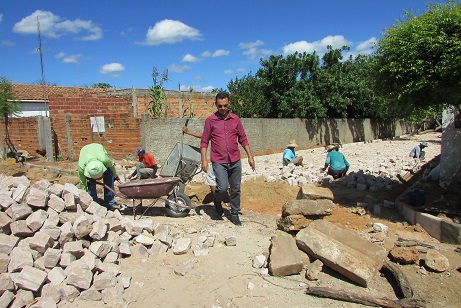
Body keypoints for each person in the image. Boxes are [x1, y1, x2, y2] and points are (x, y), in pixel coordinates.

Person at [200, 92, 255, 226]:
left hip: (235, 159)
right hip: (219, 160)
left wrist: (250, 156)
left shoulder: (236, 119)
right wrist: (204, 160)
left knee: (235, 188)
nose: (223, 108)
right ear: (216, 105)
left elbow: (243, 138)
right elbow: (204, 141)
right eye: (220, 106)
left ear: (229, 104)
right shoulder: (210, 120)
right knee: (223, 187)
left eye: (225, 105)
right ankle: (218, 201)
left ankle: (234, 213)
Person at [77, 143, 120, 209]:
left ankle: (110, 202)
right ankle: (93, 202)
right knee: (90, 184)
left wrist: (115, 175)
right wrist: (84, 196)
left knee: (109, 176)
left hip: (98, 150)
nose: (98, 179)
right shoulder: (81, 168)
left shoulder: (105, 159)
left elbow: (112, 166)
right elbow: (82, 183)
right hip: (86, 154)